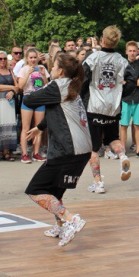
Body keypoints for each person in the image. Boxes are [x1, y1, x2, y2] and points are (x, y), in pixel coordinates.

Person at [23, 53, 92, 246]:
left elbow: (29, 101)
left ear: (60, 71)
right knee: (55, 193)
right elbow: (60, 111)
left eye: (53, 67)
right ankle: (62, 226)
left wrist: (37, 81)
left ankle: (71, 220)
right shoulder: (71, 86)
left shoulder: (57, 85)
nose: (50, 69)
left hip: (67, 149)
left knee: (35, 190)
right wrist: (40, 127)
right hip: (82, 149)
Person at [82, 25, 135, 194]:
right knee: (113, 137)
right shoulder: (121, 60)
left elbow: (83, 78)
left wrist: (82, 96)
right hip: (113, 106)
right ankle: (122, 156)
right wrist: (122, 92)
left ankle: (98, 183)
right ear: (117, 42)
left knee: (93, 148)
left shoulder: (93, 57)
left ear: (102, 40)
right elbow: (132, 79)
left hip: (94, 106)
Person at [17, 48, 50, 163]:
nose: (33, 59)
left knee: (38, 128)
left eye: (35, 57)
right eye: (31, 57)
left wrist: (43, 75)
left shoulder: (42, 68)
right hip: (28, 98)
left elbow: (46, 85)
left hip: (40, 98)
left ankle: (36, 153)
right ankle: (25, 154)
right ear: (27, 58)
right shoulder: (23, 69)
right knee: (25, 128)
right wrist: (28, 73)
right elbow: (20, 86)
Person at [0, 50, 18, 161]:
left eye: (4, 58)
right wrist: (11, 88)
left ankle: (7, 151)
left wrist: (13, 92)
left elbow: (17, 87)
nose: (2, 61)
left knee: (8, 124)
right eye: (0, 58)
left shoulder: (10, 71)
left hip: (9, 102)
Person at [120, 41, 139, 158]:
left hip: (138, 98)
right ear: (126, 51)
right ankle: (122, 150)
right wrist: (135, 81)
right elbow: (119, 81)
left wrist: (128, 82)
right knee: (124, 125)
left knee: (137, 125)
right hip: (125, 98)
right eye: (130, 51)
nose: (132, 53)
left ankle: (138, 149)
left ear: (137, 51)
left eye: (134, 51)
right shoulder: (121, 65)